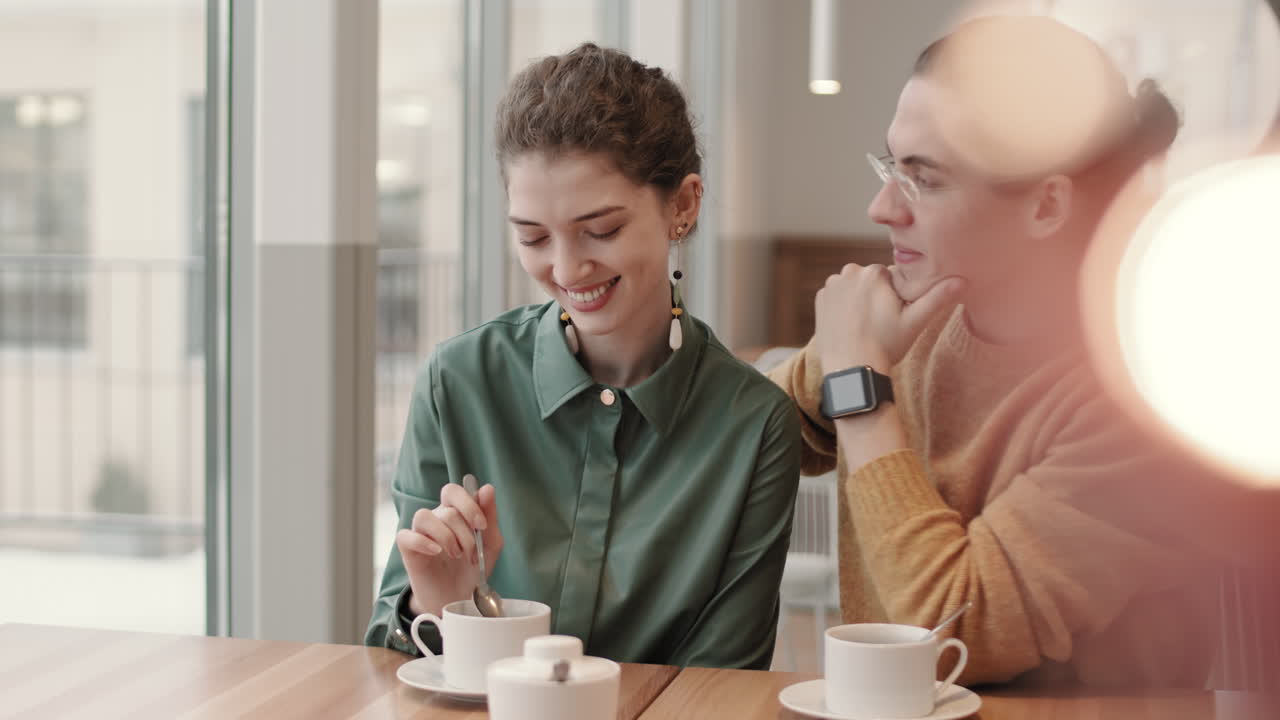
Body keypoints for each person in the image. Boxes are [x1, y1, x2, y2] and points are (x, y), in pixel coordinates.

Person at [770, 15, 1238, 687]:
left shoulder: (1141, 403)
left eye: (924, 180)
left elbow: (946, 637)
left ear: (1047, 206)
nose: (880, 208)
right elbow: (743, 435)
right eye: (890, 167)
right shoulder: (916, 317)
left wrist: (857, 384)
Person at [366, 43, 801, 670]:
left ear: (683, 205)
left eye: (602, 230)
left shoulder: (754, 427)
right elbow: (389, 652)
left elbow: (723, 687)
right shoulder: (458, 383)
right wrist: (437, 608)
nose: (567, 269)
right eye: (533, 237)